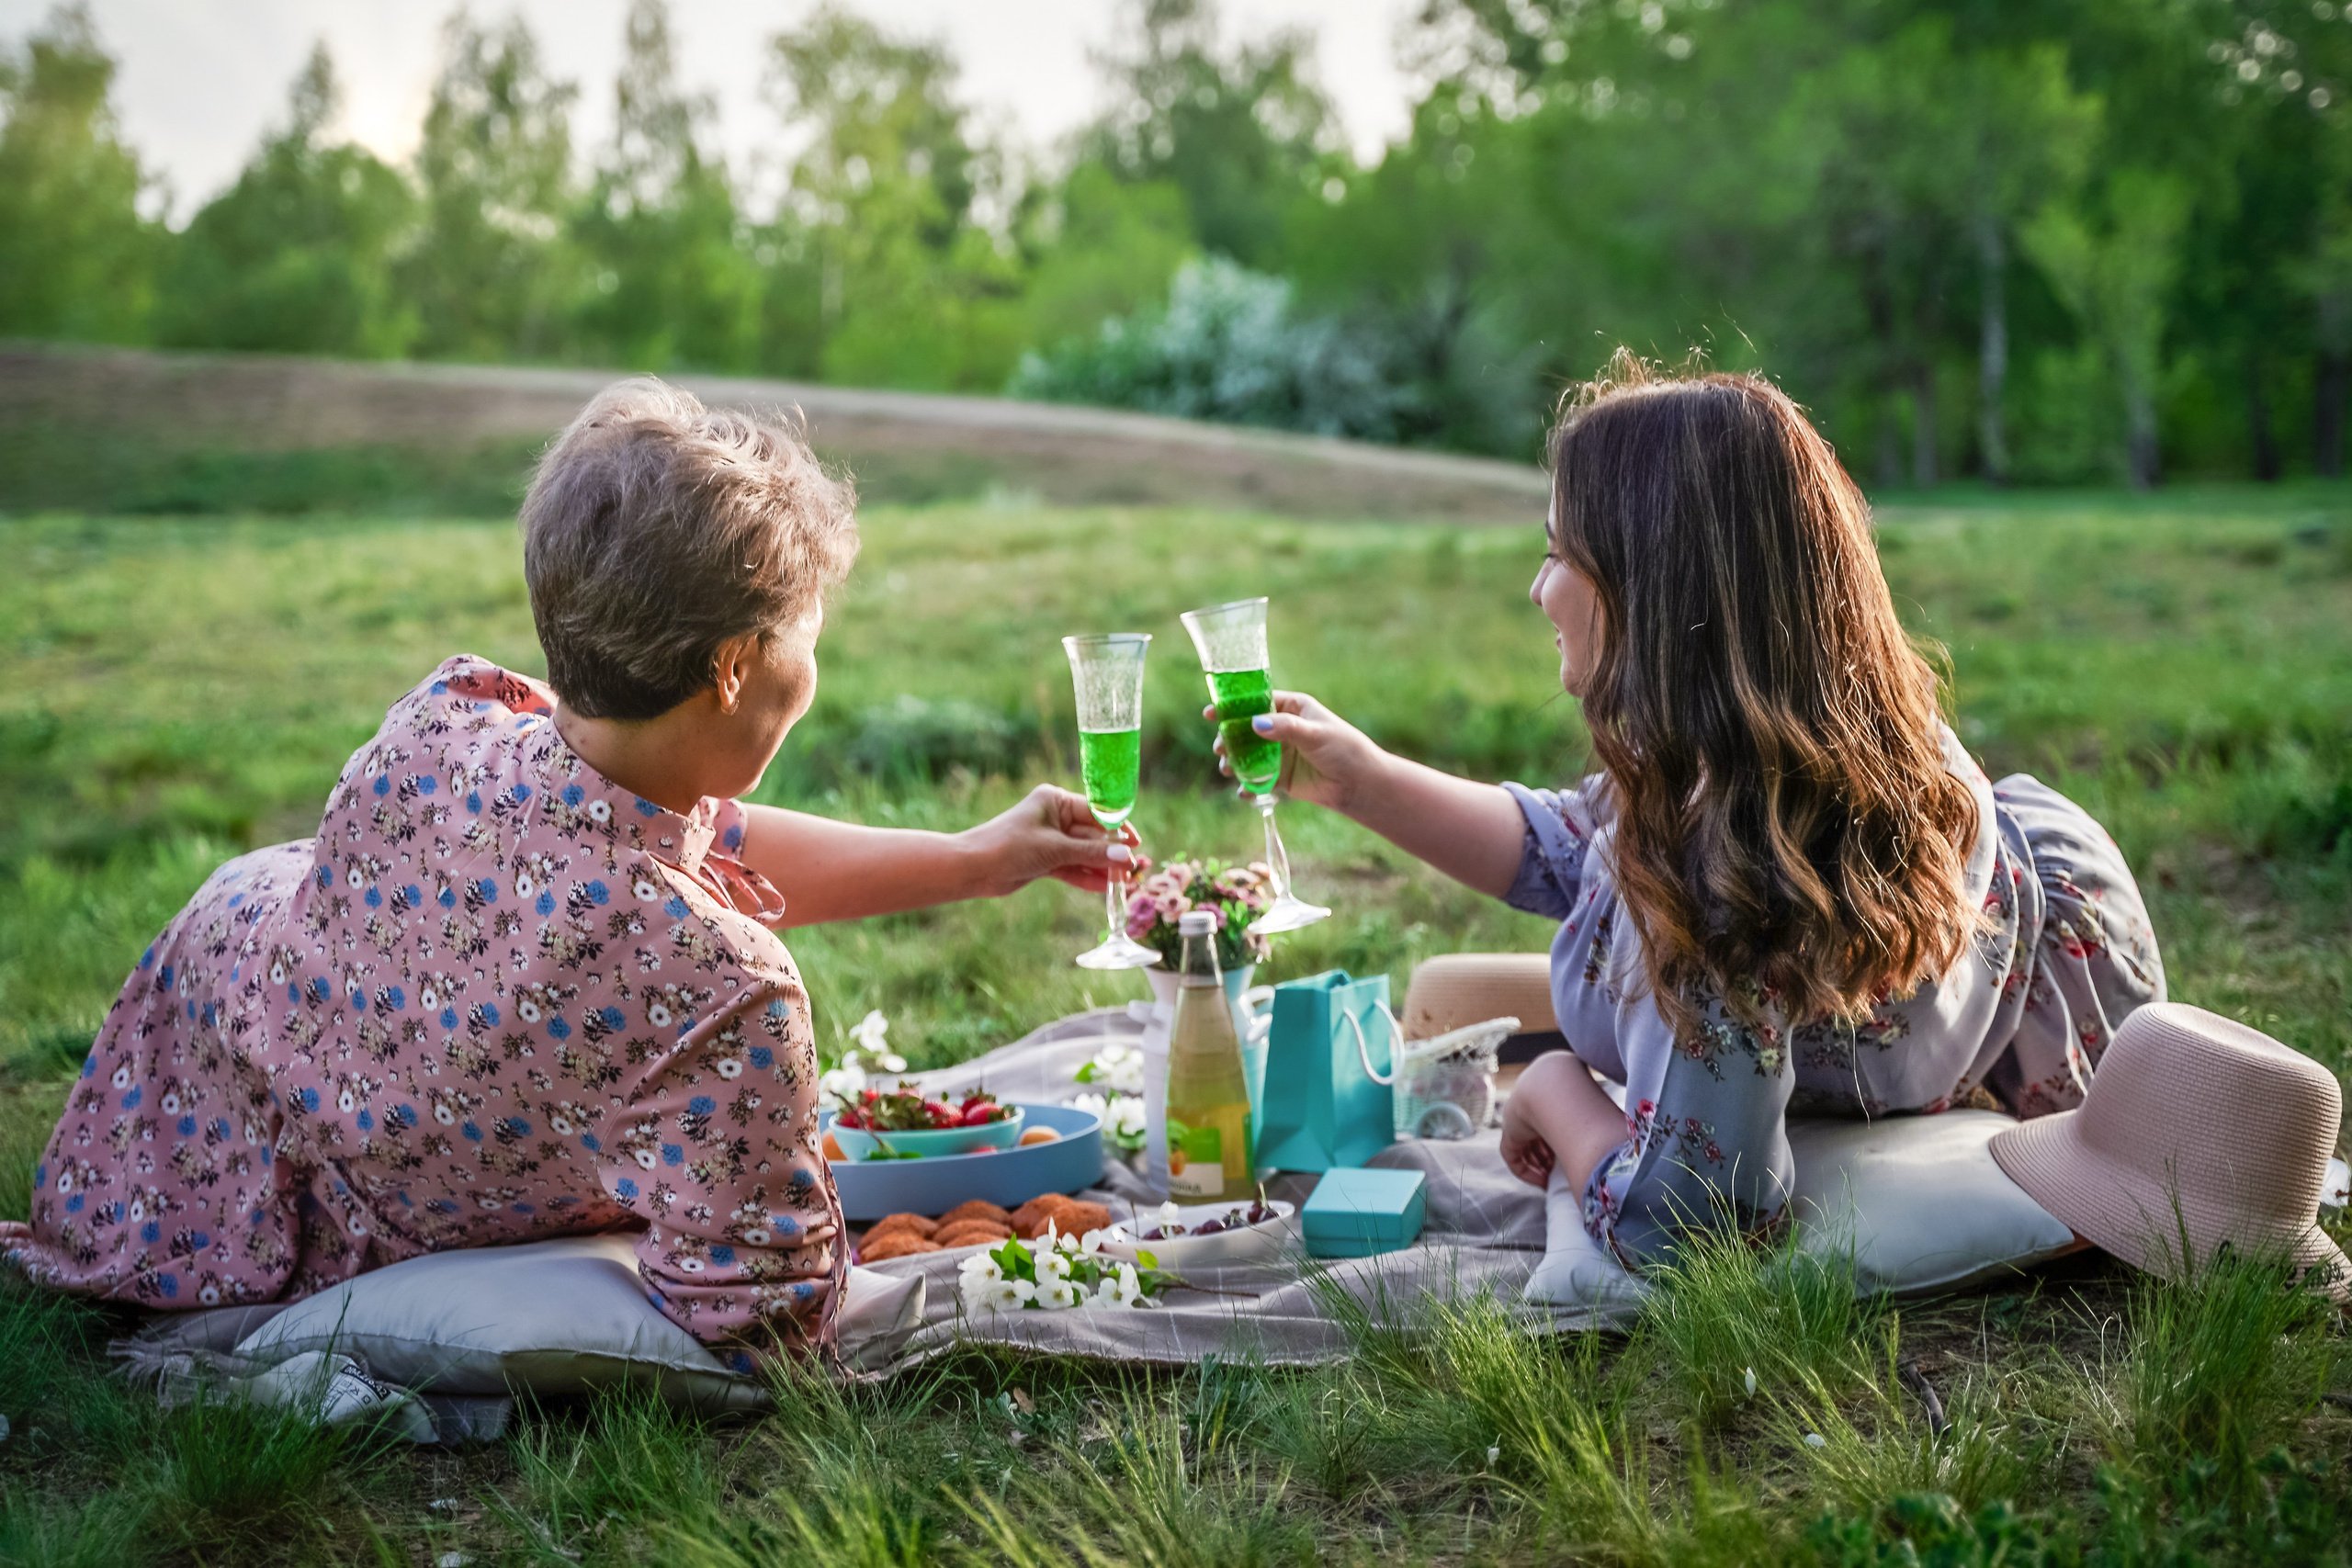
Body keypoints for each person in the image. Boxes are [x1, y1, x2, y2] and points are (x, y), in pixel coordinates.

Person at [0, 379, 1134, 1362]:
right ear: (735, 667)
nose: (816, 671)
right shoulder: (722, 986)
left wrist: (981, 859)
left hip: (209, 1002)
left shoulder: (455, 718)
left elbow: (691, 839)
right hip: (266, 1129)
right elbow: (766, 1315)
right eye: (810, 640)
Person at [1225, 356, 2165, 1268]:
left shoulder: (1726, 878)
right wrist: (1363, 782)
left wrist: (1554, 1092)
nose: (1535, 589)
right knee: (1443, 996)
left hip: (1975, 1043)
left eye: (1558, 554)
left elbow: (1679, 1227)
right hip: (2002, 964)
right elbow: (1570, 849)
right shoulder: (1805, 745)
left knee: (1454, 1018)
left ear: (1655, 593)